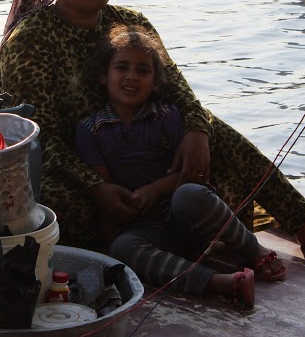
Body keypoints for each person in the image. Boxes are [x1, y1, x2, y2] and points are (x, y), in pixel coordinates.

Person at [0, 0, 305, 250]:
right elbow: (37, 138)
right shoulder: (31, 41)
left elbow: (176, 88)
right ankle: (159, 236)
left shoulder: (128, 22)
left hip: (142, 151)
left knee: (209, 129)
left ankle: (304, 221)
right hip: (73, 167)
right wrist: (96, 186)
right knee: (59, 214)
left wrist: (195, 131)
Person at [75, 23, 286, 307]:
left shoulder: (168, 117)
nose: (131, 77)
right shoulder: (90, 130)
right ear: (103, 75)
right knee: (122, 247)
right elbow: (104, 189)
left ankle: (254, 249)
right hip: (146, 230)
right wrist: (113, 240)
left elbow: (190, 176)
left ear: (156, 81)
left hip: (184, 216)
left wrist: (155, 189)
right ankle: (218, 282)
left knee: (192, 194)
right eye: (122, 67)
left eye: (143, 71)